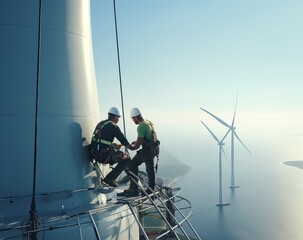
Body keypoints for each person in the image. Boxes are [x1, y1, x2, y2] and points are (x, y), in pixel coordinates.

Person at [90, 107, 133, 187]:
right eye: (118, 118)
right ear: (115, 117)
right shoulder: (114, 126)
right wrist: (131, 147)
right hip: (104, 156)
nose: (118, 120)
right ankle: (110, 178)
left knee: (121, 156)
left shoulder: (100, 124)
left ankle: (112, 177)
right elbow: (122, 139)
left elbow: (101, 140)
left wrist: (114, 145)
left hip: (94, 153)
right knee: (127, 159)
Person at [122, 107, 159, 196]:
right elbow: (146, 137)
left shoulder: (141, 127)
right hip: (153, 149)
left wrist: (130, 147)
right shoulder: (147, 122)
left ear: (135, 118)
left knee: (132, 164)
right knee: (150, 169)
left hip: (147, 151)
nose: (133, 121)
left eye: (132, 119)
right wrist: (137, 141)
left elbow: (137, 146)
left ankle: (133, 189)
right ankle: (151, 189)